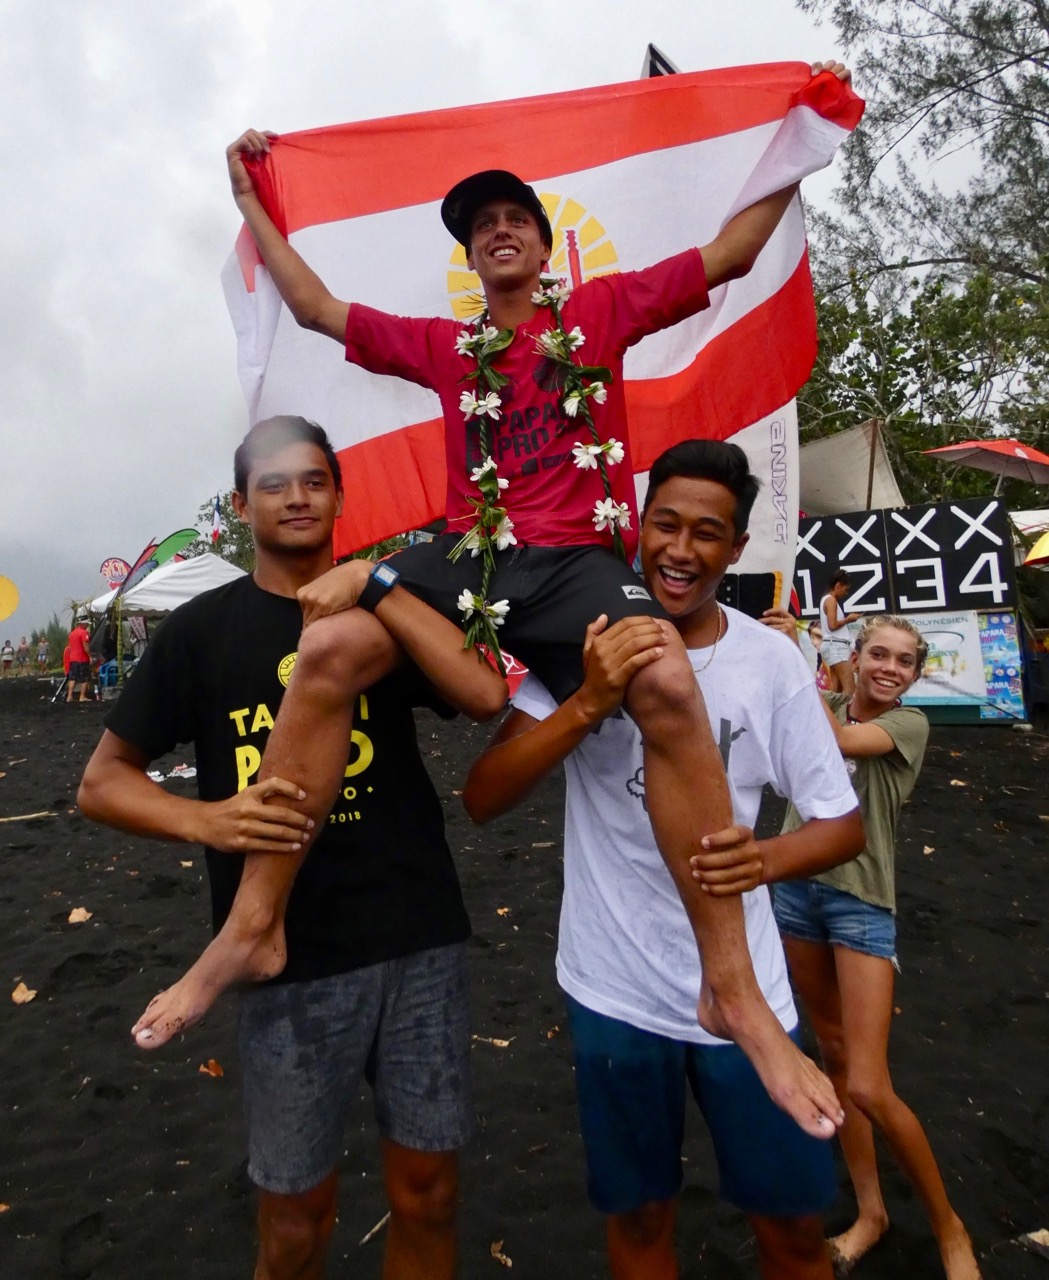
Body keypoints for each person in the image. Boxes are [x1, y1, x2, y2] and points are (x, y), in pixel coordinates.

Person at [127, 62, 855, 1142]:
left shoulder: (597, 311)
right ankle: (252, 924)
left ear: (542, 243)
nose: (499, 231)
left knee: (659, 674)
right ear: (469, 256)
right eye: (481, 225)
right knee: (324, 650)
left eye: (515, 216)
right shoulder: (442, 343)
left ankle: (731, 987)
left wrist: (799, 143)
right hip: (468, 557)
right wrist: (247, 206)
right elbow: (318, 306)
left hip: (569, 563)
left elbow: (730, 253)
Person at [78, 415, 506, 1280]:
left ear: (341, 497)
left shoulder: (387, 617)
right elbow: (101, 783)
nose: (297, 496)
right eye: (273, 484)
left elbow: (480, 692)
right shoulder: (201, 632)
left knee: (428, 1194)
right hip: (285, 958)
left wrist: (384, 584)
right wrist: (208, 819)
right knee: (295, 1219)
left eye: (314, 480)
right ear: (241, 506)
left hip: (417, 929)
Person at [464, 440, 865, 1279]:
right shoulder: (584, 644)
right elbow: (482, 796)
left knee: (793, 1228)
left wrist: (761, 860)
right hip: (612, 989)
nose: (681, 551)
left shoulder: (770, 663)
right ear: (635, 530)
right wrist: (587, 701)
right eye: (666, 524)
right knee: (640, 1218)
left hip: (744, 983)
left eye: (707, 533)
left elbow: (840, 825)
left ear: (737, 548)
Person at [772, 616, 982, 1280]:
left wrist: (795, 650)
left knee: (867, 1082)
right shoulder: (827, 695)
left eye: (904, 661)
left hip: (860, 903)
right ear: (856, 659)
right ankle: (871, 1213)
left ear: (916, 675)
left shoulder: (906, 727)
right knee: (831, 1055)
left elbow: (828, 739)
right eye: (878, 656)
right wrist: (790, 649)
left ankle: (950, 1229)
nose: (890, 668)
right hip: (796, 893)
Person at [818, 571, 860, 695]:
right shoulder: (831, 600)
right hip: (836, 646)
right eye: (845, 590)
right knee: (850, 689)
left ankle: (831, 714)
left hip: (833, 645)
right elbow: (832, 626)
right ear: (838, 585)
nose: (845, 594)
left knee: (837, 691)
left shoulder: (826, 599)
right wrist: (849, 619)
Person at [66, 618, 92, 702]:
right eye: (87, 624)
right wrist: (90, 656)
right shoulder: (84, 633)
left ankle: (69, 696)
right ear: (83, 624)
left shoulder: (71, 634)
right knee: (85, 678)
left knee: (72, 678)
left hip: (73, 659)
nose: (87, 625)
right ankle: (82, 696)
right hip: (82, 659)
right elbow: (86, 647)